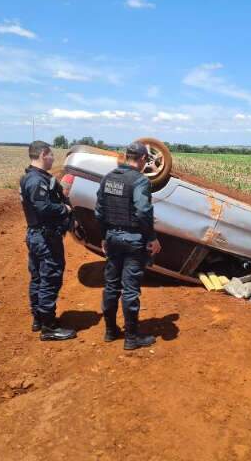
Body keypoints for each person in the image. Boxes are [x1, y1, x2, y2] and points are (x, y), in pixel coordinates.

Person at [95, 141, 162, 350]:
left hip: (112, 238)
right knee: (130, 289)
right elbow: (143, 210)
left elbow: (99, 211)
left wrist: (105, 235)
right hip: (133, 240)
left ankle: (109, 331)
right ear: (142, 159)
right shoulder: (140, 180)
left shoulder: (108, 178)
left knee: (111, 285)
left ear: (125, 156)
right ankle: (131, 338)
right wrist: (151, 237)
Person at [20, 141, 76, 341]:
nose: (53, 158)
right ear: (43, 154)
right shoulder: (36, 181)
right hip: (45, 237)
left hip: (37, 235)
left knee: (37, 277)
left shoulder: (31, 178)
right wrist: (65, 209)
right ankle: (49, 327)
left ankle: (39, 318)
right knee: (49, 278)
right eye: (51, 154)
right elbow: (44, 208)